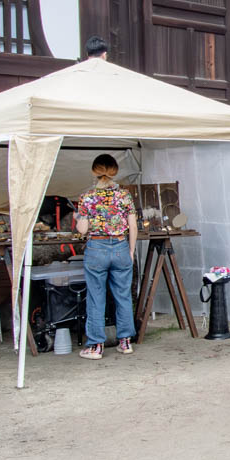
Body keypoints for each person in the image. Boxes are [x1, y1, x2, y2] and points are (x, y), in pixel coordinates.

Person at [75, 154, 137, 359]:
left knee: (96, 297)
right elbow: (133, 225)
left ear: (94, 171)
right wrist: (130, 250)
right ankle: (125, 342)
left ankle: (96, 346)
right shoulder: (125, 196)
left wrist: (78, 218)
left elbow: (82, 230)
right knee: (123, 295)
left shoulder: (87, 197)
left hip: (96, 249)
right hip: (120, 247)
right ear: (115, 171)